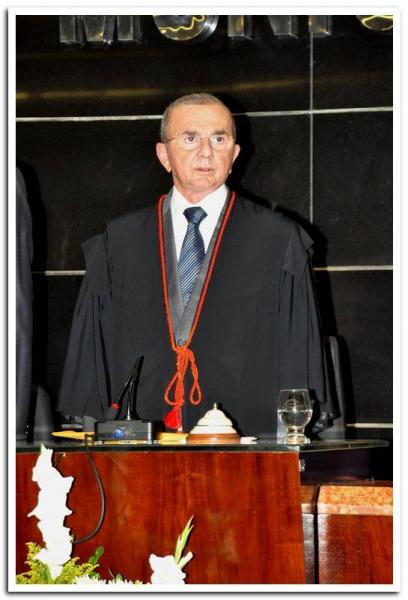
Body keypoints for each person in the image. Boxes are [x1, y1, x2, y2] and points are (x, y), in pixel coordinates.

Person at [57, 93, 335, 436]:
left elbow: (298, 359)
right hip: (139, 441)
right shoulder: (118, 242)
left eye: (219, 139)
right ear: (164, 155)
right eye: (190, 139)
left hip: (246, 440)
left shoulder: (279, 240)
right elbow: (90, 367)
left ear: (234, 155)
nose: (206, 152)